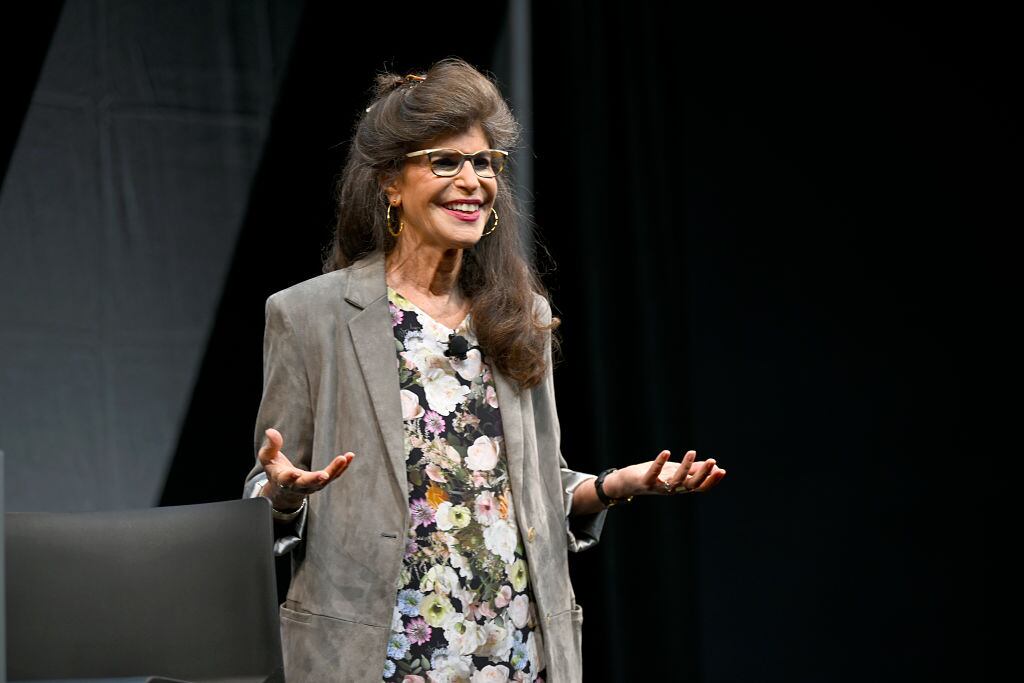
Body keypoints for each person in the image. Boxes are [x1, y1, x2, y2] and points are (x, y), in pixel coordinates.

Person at [244, 58, 725, 683]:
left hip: (513, 649)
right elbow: (266, 487)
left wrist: (612, 486)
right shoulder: (309, 316)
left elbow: (534, 489)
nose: (471, 181)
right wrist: (282, 491)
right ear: (391, 181)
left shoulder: (518, 314)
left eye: (485, 163)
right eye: (445, 161)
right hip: (376, 654)